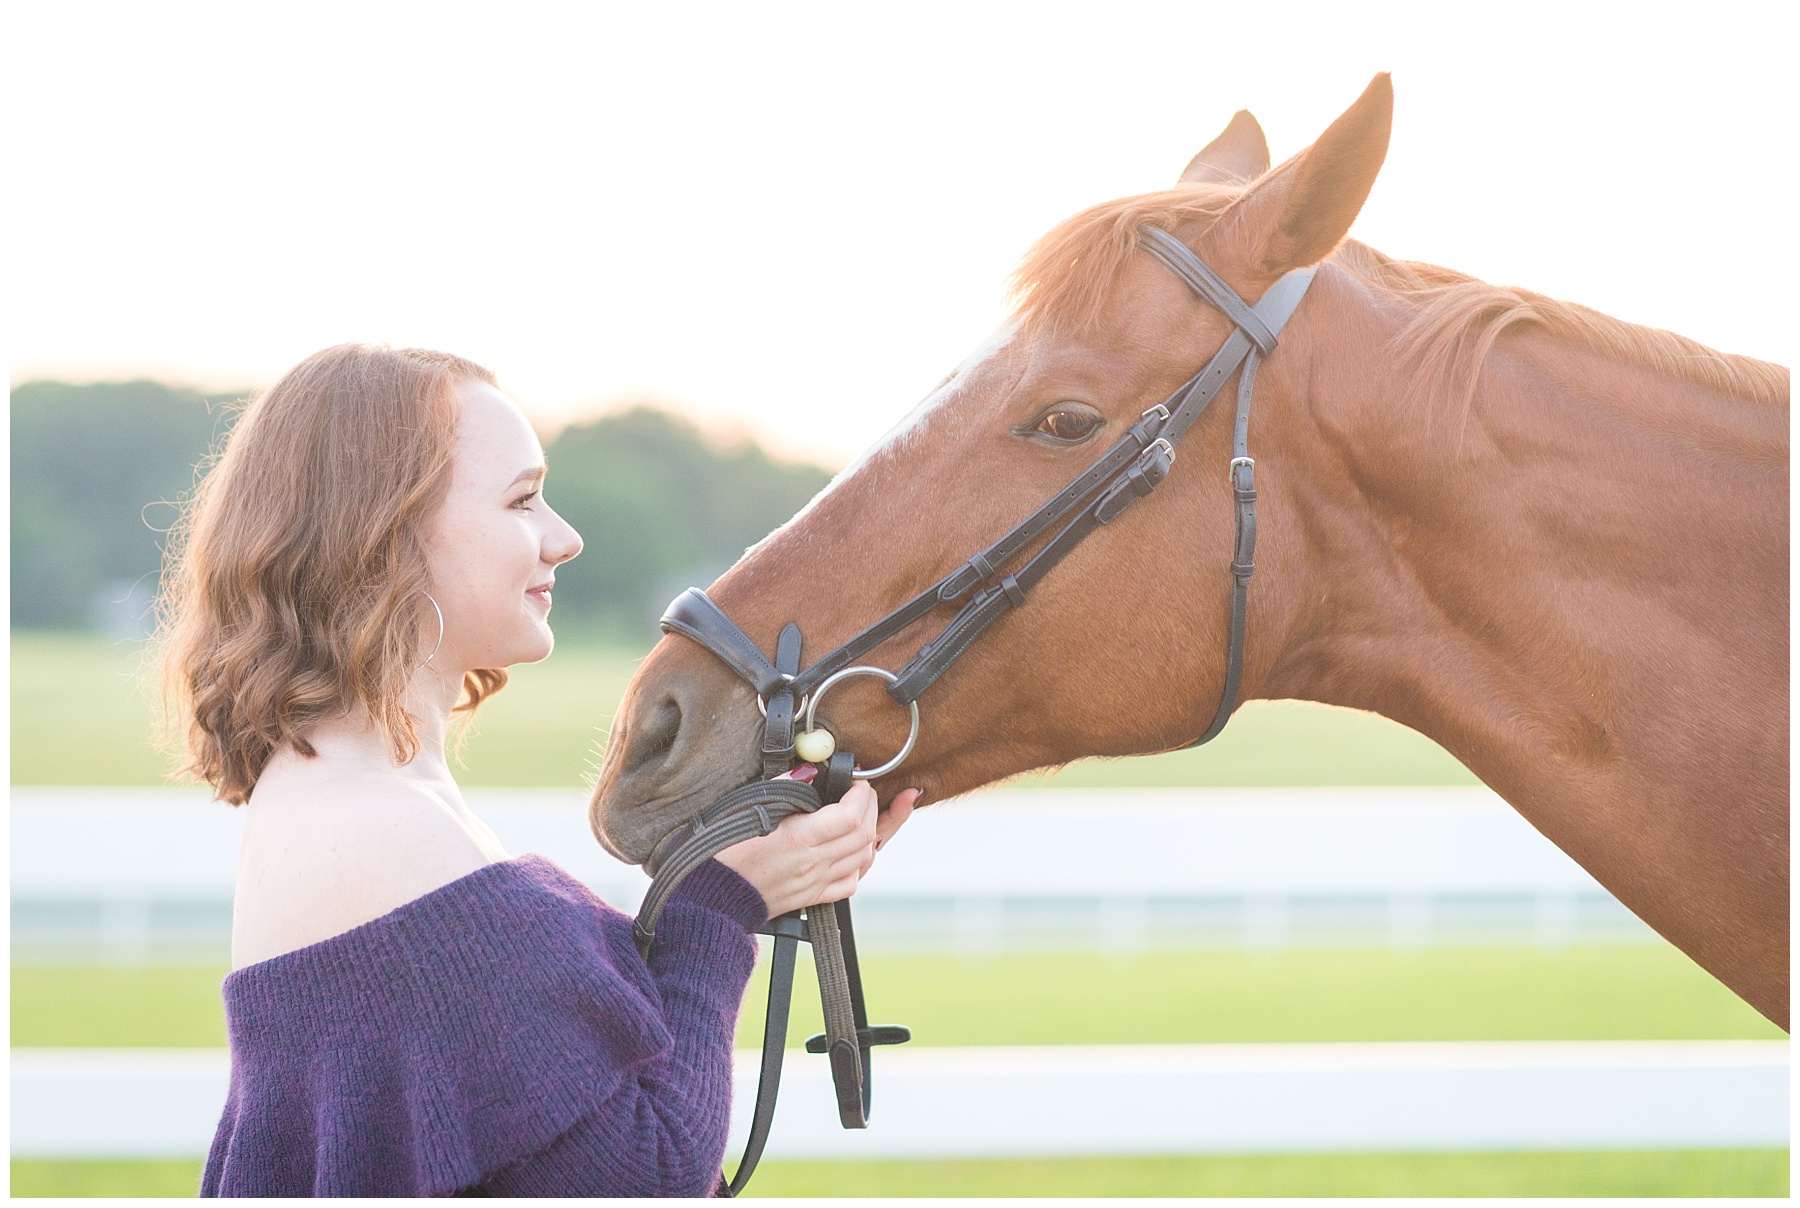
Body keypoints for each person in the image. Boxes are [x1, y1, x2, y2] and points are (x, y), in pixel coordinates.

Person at [157, 344, 918, 1197]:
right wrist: (720, 907)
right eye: (522, 500)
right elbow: (648, 1176)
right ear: (385, 534)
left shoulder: (355, 796)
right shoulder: (383, 832)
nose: (565, 537)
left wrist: (760, 866)